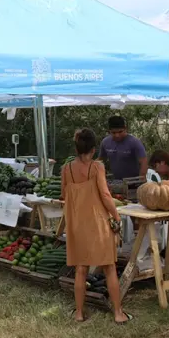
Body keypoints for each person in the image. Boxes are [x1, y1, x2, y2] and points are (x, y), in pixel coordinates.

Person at [62, 128, 129, 324]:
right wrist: (116, 217)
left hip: (76, 223)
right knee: (109, 266)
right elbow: (106, 195)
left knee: (81, 269)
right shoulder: (97, 167)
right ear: (93, 149)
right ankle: (118, 313)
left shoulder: (66, 169)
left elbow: (64, 195)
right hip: (98, 221)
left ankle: (79, 313)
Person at [98, 116, 148, 180]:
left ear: (125, 129)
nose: (117, 135)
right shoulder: (105, 142)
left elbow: (144, 162)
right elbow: (100, 160)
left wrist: (141, 180)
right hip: (116, 182)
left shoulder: (134, 142)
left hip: (134, 182)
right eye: (114, 133)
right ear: (109, 131)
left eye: (120, 132)